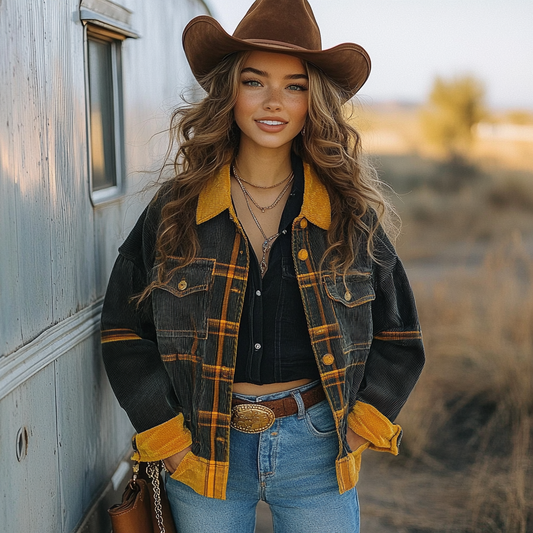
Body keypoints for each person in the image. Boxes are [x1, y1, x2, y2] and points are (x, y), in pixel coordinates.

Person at [101, 1, 425, 531]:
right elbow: (121, 330)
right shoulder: (177, 210)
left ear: (312, 102)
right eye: (255, 82)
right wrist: (170, 440)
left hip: (316, 448)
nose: (274, 102)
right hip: (204, 453)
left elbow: (401, 335)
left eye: (295, 86)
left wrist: (361, 428)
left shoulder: (346, 215)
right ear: (230, 92)